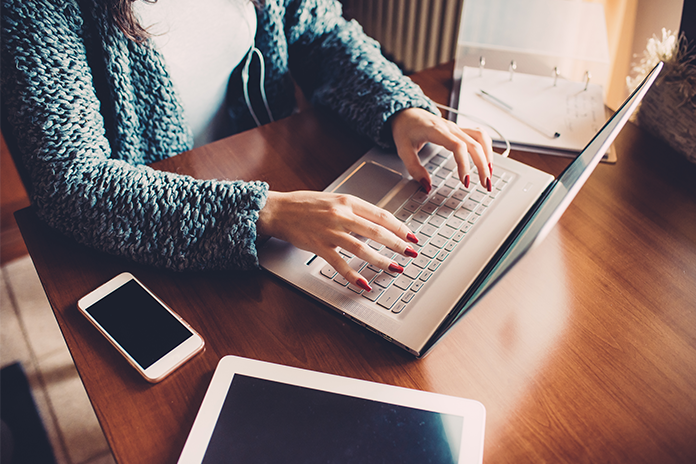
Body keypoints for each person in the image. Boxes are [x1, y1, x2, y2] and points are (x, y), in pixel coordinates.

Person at [1, 0, 493, 291]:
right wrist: (265, 213)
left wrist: (399, 107)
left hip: (271, 176)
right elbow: (73, 180)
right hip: (147, 223)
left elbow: (320, 33)